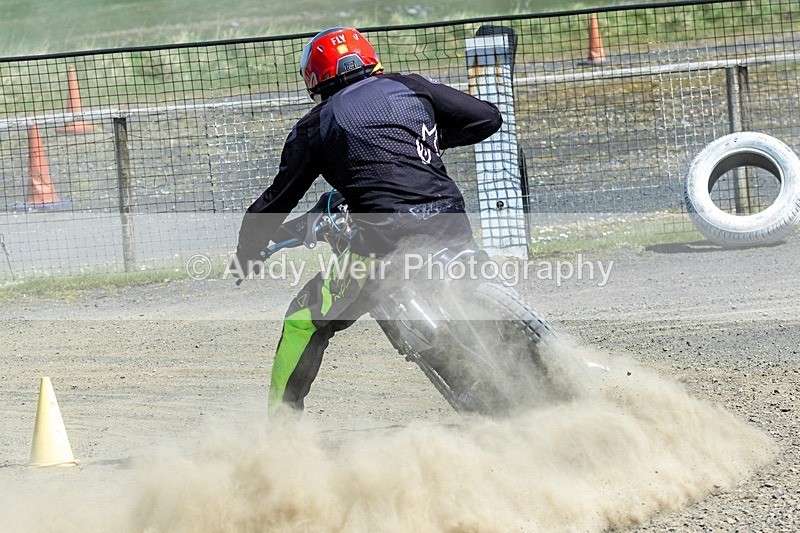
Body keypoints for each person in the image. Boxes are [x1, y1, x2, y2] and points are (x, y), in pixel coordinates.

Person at [234, 27, 502, 416]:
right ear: (368, 58)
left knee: (303, 319)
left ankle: (280, 431)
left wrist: (247, 253)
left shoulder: (314, 126)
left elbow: (275, 202)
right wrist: (426, 139)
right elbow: (487, 118)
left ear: (314, 78)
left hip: (385, 243)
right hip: (450, 223)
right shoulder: (409, 85)